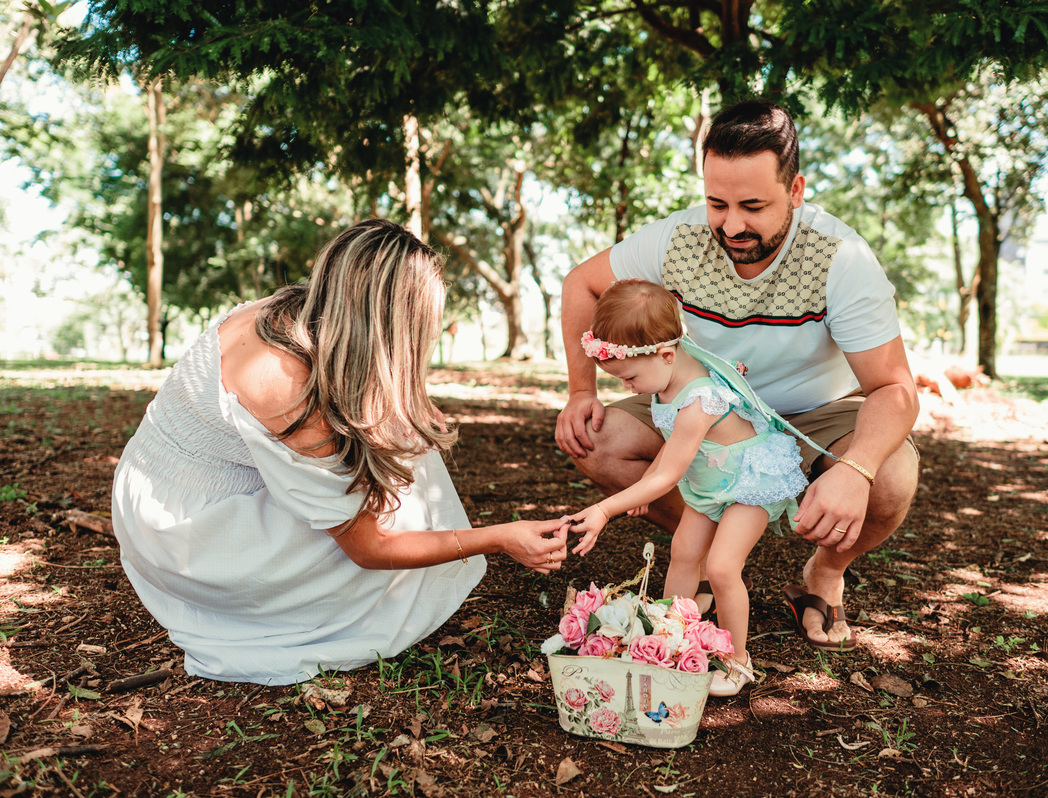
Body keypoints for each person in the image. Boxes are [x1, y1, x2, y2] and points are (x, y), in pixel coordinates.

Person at [112, 219, 569, 685]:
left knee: (400, 442)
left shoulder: (287, 314)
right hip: (188, 532)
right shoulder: (296, 398)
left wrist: (410, 405)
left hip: (149, 484)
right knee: (390, 491)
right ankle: (324, 613)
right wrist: (498, 538)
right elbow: (371, 549)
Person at [555, 99, 920, 652]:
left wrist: (857, 467)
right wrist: (582, 390)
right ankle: (702, 559)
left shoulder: (840, 257)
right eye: (716, 203)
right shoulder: (676, 239)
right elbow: (581, 283)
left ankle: (823, 573)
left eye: (753, 205)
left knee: (889, 476)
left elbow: (894, 388)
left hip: (810, 417)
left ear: (795, 191)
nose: (731, 225)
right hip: (708, 408)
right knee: (594, 440)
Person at [568, 280, 809, 696]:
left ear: (665, 354)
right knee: (682, 553)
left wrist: (608, 508)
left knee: (720, 568)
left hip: (748, 481)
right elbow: (668, 456)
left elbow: (670, 471)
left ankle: (738, 661)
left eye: (629, 377)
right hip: (708, 482)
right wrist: (643, 485)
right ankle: (667, 637)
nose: (626, 387)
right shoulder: (665, 380)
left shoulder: (700, 398)